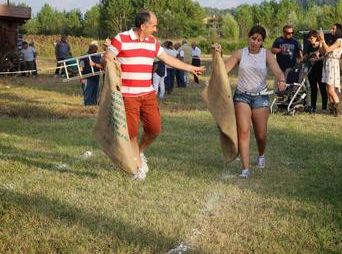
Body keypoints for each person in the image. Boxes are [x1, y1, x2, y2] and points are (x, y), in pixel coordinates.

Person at [103, 10, 206, 180]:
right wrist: (108, 57)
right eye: (154, 25)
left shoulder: (152, 42)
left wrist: (190, 68)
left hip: (148, 95)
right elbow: (107, 58)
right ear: (143, 26)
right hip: (128, 96)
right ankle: (137, 168)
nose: (156, 29)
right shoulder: (121, 38)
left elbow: (167, 59)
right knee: (132, 133)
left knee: (154, 129)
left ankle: (140, 152)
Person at [212, 25, 286, 178]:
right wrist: (218, 53)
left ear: (262, 42)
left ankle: (261, 155)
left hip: (261, 97)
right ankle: (245, 169)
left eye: (259, 40)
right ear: (248, 37)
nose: (255, 42)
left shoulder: (266, 55)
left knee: (261, 135)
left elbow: (277, 70)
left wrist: (282, 80)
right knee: (244, 132)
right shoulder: (240, 53)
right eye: (253, 38)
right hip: (242, 97)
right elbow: (223, 70)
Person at [319, 23, 342, 116]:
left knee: (331, 90)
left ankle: (338, 111)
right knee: (328, 89)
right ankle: (332, 109)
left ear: (338, 30)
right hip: (327, 63)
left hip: (333, 64)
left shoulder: (339, 41)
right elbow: (323, 52)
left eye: (333, 29)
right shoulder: (332, 40)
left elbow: (328, 49)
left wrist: (323, 40)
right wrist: (321, 42)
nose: (331, 30)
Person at [306, 30, 327, 112]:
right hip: (311, 70)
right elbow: (307, 56)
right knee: (313, 89)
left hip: (321, 70)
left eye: (311, 38)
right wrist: (308, 59)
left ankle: (324, 107)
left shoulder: (321, 46)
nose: (310, 40)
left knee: (322, 88)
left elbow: (325, 56)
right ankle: (313, 107)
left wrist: (317, 59)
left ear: (316, 38)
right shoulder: (309, 46)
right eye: (309, 38)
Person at [80, 41, 102, 106]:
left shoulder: (98, 56)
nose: (95, 48)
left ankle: (94, 105)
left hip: (96, 77)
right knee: (88, 93)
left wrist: (95, 64)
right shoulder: (85, 56)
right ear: (90, 47)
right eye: (94, 47)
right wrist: (81, 77)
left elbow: (101, 65)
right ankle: (87, 106)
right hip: (87, 77)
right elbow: (81, 66)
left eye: (96, 47)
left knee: (95, 93)